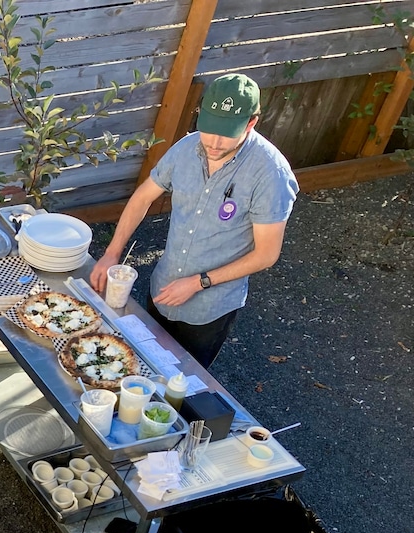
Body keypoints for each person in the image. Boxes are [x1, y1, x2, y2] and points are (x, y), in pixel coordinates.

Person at [91, 73, 298, 368]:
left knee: (182, 386)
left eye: (226, 133)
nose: (213, 142)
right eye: (209, 128)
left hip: (209, 311)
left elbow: (266, 254)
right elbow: (142, 198)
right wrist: (112, 253)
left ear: (251, 122)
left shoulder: (271, 173)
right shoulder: (186, 148)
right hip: (162, 289)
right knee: (134, 365)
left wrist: (199, 283)